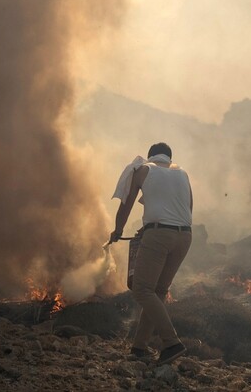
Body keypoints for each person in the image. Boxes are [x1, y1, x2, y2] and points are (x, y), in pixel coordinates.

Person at [109, 142, 193, 365]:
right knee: (158, 291)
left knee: (142, 290)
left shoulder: (143, 170)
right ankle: (139, 347)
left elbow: (125, 206)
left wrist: (117, 231)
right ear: (169, 158)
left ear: (150, 157)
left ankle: (172, 342)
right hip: (185, 236)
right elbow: (187, 209)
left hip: (159, 236)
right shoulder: (182, 174)